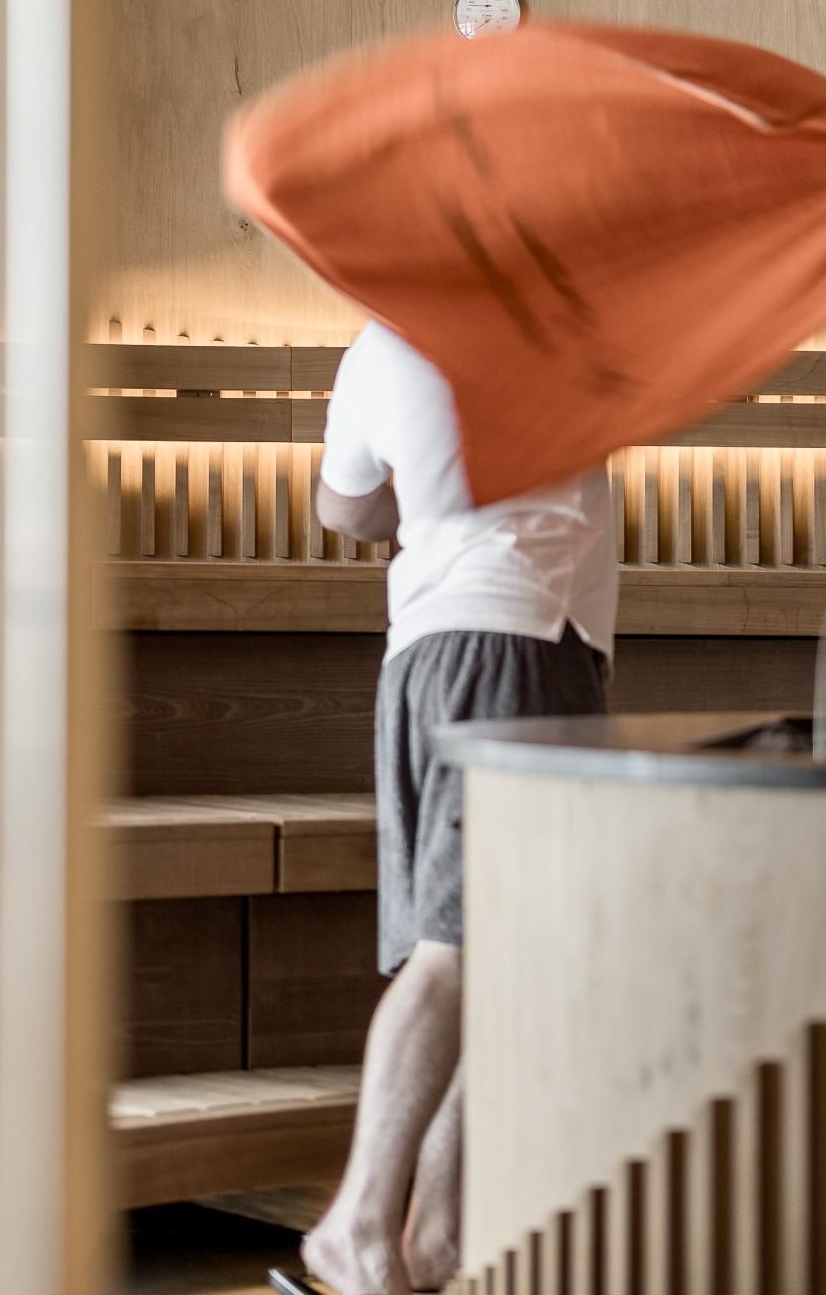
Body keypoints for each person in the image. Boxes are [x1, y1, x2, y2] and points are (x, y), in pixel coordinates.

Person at [295, 322, 618, 1295]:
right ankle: (357, 1221)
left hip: (426, 656)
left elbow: (343, 508)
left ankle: (434, 1234)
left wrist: (425, 482)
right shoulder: (556, 316)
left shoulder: (376, 342)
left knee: (497, 963)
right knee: (460, 953)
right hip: (516, 644)